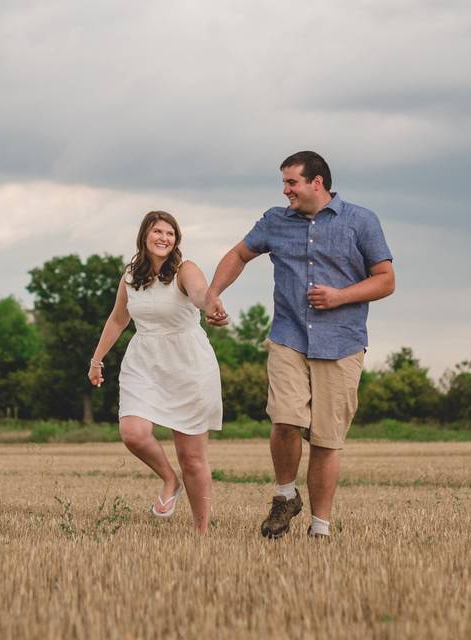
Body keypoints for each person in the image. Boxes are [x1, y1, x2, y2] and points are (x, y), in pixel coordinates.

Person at [204, 151, 395, 539]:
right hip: (288, 336)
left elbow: (386, 279)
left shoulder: (361, 221)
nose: (286, 190)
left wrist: (340, 296)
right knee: (285, 419)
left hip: (341, 343)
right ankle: (285, 495)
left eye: (292, 183)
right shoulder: (275, 220)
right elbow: (240, 254)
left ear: (317, 183)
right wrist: (213, 293)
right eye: (284, 183)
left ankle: (320, 528)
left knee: (326, 440)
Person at [89, 210, 222, 534]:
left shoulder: (184, 270)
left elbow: (199, 293)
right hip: (145, 361)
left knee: (191, 457)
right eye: (157, 232)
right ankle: (168, 479)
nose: (164, 238)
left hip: (188, 365)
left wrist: (211, 306)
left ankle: (200, 531)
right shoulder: (131, 275)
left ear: (176, 240)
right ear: (144, 236)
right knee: (133, 433)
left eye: (170, 233)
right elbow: (119, 319)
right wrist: (96, 360)